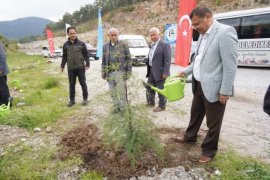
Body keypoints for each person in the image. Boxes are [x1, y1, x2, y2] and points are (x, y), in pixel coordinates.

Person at [177, 6, 238, 163]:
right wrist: (186, 71)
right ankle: (190, 137)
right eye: (193, 25)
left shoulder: (225, 32)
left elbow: (230, 66)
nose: (195, 28)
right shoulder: (203, 35)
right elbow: (198, 60)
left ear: (208, 17)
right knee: (195, 114)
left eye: (197, 24)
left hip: (216, 88)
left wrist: (225, 90)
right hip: (198, 84)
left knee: (213, 122)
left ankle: (209, 151)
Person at [101, 27, 132, 113]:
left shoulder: (123, 44)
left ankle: (123, 110)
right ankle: (116, 108)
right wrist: (103, 73)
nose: (114, 37)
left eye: (115, 35)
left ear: (118, 35)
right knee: (112, 92)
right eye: (112, 35)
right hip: (110, 73)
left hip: (120, 72)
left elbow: (128, 59)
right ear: (109, 36)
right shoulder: (105, 46)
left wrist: (128, 72)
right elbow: (103, 60)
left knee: (122, 93)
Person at [60, 26, 90, 107]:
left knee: (83, 83)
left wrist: (87, 64)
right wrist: (62, 66)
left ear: (76, 33)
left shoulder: (81, 44)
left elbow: (86, 55)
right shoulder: (65, 45)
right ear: (68, 34)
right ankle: (72, 100)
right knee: (71, 85)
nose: (73, 35)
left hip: (80, 67)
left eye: (74, 33)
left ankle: (85, 99)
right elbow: (64, 56)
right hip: (71, 68)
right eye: (71, 33)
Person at [146, 27, 171, 112]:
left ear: (159, 34)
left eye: (154, 34)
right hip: (152, 70)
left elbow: (167, 60)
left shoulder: (165, 44)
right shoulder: (152, 45)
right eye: (151, 35)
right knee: (149, 86)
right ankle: (150, 102)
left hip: (161, 72)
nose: (153, 37)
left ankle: (162, 106)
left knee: (161, 89)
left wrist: (166, 72)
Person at [0, 42, 12, 106]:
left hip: (1, 72)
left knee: (3, 89)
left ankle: (8, 104)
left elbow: (3, 57)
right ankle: (2, 105)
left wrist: (1, 70)